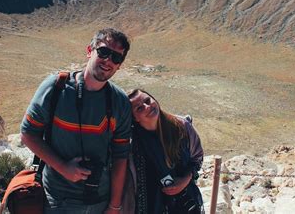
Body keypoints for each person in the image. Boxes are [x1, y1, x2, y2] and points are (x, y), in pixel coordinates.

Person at [20, 28, 132, 214]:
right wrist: (63, 167)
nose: (108, 61)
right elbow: (28, 134)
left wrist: (114, 205)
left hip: (100, 200)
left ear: (119, 65)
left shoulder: (119, 102)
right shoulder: (56, 87)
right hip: (57, 199)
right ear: (90, 50)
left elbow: (121, 156)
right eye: (103, 52)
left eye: (116, 58)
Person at [125, 89, 204, 214]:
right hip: (148, 206)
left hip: (185, 203)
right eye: (139, 108)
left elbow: (197, 157)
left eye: (147, 100)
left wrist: (186, 179)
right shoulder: (130, 142)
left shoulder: (182, 126)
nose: (147, 107)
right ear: (134, 118)